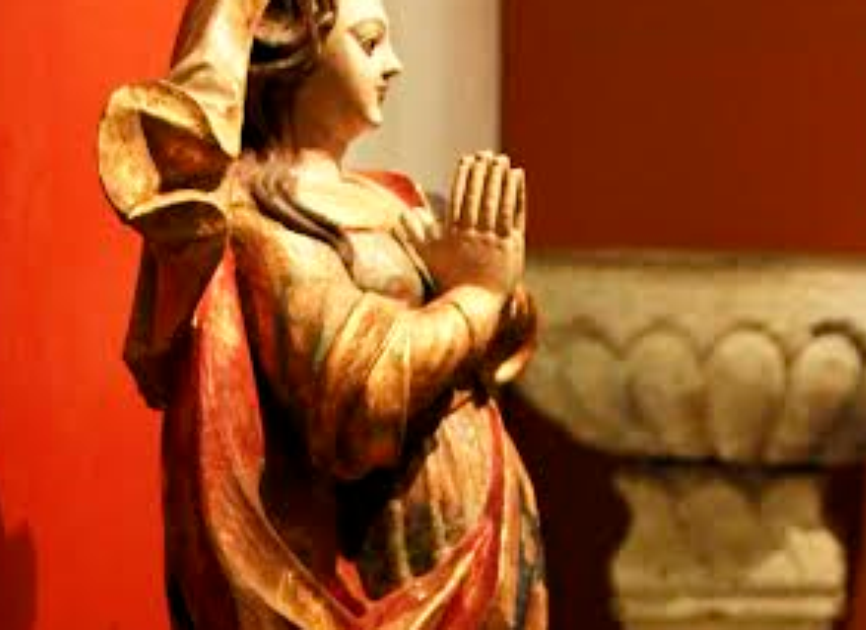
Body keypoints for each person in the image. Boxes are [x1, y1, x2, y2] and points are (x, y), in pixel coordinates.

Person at [97, 0, 547, 628]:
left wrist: (496, 294)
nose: (395, 64)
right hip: (381, 575)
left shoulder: (392, 197)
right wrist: (476, 298)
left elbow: (496, 339)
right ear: (292, 55)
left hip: (479, 539)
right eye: (369, 42)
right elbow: (355, 393)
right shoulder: (263, 218)